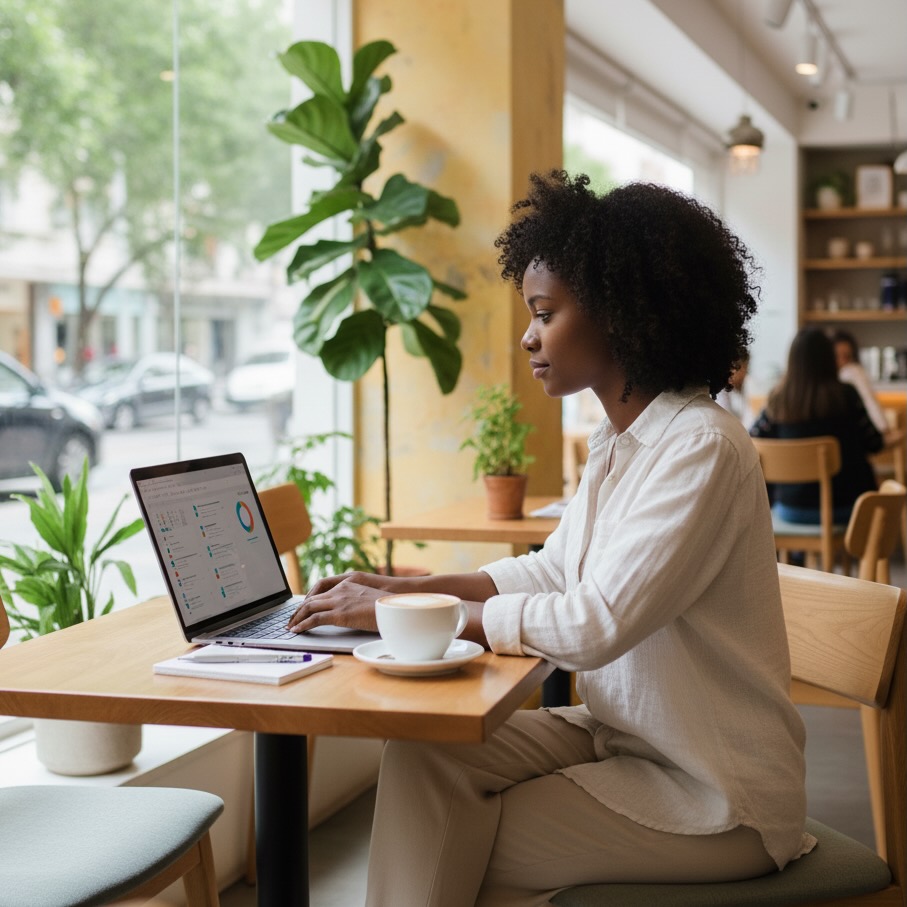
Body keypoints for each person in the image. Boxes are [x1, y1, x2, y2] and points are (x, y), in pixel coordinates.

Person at [288, 173, 814, 906]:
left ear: (619, 314)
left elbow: (594, 623)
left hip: (715, 789)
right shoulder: (618, 440)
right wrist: (401, 591)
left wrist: (407, 617)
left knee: (440, 839)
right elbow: (552, 571)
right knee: (423, 754)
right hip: (624, 736)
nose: (528, 336)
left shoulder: (702, 446)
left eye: (545, 313)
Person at [751, 327, 883, 525]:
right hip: (848, 507)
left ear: (792, 361)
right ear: (829, 359)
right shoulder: (846, 395)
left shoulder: (777, 400)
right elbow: (875, 443)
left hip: (791, 509)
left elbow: (753, 440)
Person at [831, 329, 889, 434]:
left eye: (847, 357)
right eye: (837, 356)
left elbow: (870, 404)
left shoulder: (852, 373)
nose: (842, 362)